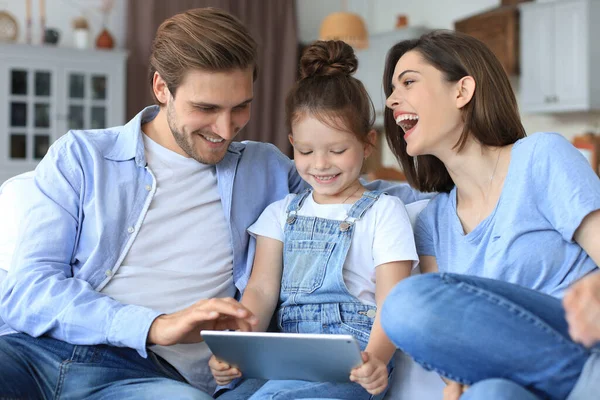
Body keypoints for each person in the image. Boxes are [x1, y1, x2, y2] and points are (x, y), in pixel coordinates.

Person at [0, 8, 427, 400]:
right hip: (31, 352)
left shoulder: (265, 168)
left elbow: (359, 194)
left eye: (240, 107)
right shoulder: (83, 157)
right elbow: (27, 289)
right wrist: (154, 325)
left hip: (147, 378)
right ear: (161, 88)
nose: (225, 129)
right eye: (206, 108)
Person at [378, 30, 600, 399]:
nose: (390, 99)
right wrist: (454, 384)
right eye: (392, 88)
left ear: (462, 91)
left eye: (408, 82)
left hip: (582, 338)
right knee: (490, 393)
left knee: (406, 303)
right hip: (515, 382)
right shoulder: (434, 222)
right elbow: (451, 339)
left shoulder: (539, 157)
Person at [209, 40, 418, 399]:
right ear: (292, 144)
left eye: (337, 150)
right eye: (305, 151)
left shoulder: (384, 211)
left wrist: (379, 360)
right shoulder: (280, 213)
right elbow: (260, 291)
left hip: (353, 367)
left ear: (368, 144)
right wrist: (235, 347)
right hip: (285, 362)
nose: (320, 164)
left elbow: (393, 302)